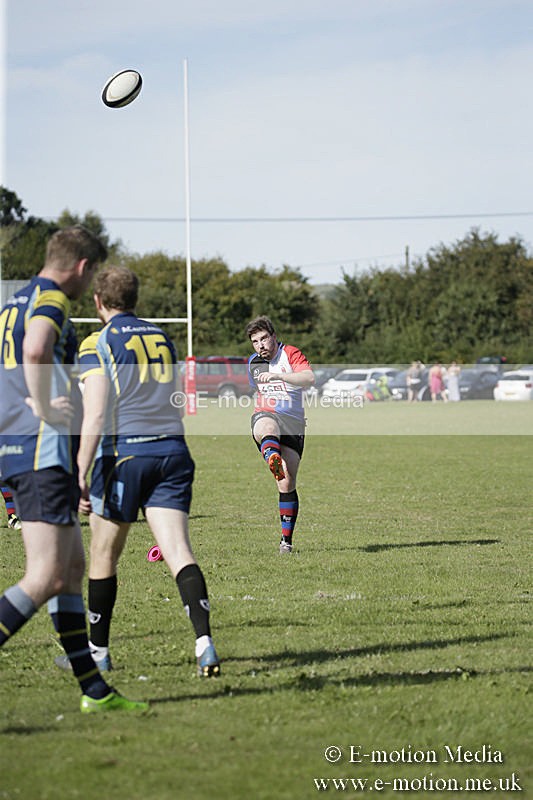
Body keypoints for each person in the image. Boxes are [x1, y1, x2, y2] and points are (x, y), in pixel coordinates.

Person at [0, 225, 147, 713]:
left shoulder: (13, 302)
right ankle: (94, 688)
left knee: (71, 571)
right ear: (83, 267)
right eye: (91, 274)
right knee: (45, 575)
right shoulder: (52, 298)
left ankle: (94, 690)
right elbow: (36, 349)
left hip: (20, 446)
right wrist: (43, 406)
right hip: (39, 450)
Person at [55, 264, 220, 677]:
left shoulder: (98, 341)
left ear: (98, 301)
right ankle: (205, 644)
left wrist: (79, 471)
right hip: (173, 452)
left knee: (103, 555)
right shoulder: (162, 337)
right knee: (178, 550)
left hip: (125, 455)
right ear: (135, 299)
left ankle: (98, 651)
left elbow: (94, 414)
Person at [246, 315, 315, 554]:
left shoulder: (290, 353)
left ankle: (286, 541)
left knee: (286, 482)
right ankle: (272, 456)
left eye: (264, 339)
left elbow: (308, 378)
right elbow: (257, 391)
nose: (260, 345)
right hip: (266, 416)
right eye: (255, 341)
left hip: (293, 424)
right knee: (267, 426)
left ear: (274, 337)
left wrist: (279, 376)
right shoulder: (253, 362)